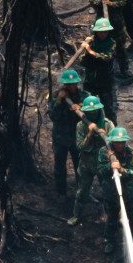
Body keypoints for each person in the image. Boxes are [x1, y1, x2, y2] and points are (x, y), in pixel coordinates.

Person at [102, 124, 133, 263]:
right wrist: (110, 165)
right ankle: (110, 241)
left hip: (128, 190)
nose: (120, 145)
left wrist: (121, 169)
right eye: (117, 142)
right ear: (112, 141)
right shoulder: (104, 151)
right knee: (112, 216)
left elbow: (132, 172)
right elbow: (100, 171)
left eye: (122, 142)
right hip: (111, 190)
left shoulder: (131, 152)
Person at [68, 96, 114, 228]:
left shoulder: (107, 124)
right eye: (90, 111)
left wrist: (106, 136)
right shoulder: (81, 126)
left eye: (95, 111)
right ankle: (77, 215)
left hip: (103, 164)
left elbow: (115, 145)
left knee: (108, 191)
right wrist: (89, 134)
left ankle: (111, 218)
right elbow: (80, 147)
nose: (93, 113)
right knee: (82, 191)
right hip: (86, 164)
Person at [48, 66, 87, 198]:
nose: (72, 86)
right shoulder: (56, 96)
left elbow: (92, 110)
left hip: (77, 137)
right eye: (69, 84)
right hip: (61, 137)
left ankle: (81, 192)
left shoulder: (84, 95)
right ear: (64, 84)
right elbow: (53, 117)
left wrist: (80, 107)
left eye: (74, 84)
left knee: (80, 166)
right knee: (60, 166)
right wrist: (59, 101)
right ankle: (61, 192)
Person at [73, 17, 119, 114]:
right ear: (96, 32)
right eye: (101, 32)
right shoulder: (92, 42)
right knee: (87, 105)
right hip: (91, 80)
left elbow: (106, 58)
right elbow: (82, 61)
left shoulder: (111, 43)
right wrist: (86, 49)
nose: (103, 34)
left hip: (105, 80)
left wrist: (90, 51)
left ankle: (111, 126)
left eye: (106, 32)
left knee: (108, 108)